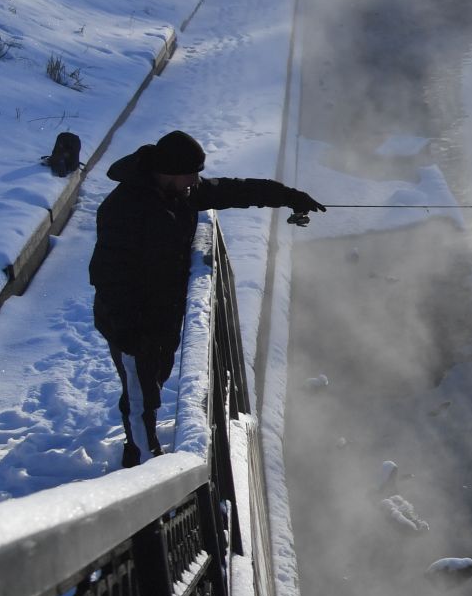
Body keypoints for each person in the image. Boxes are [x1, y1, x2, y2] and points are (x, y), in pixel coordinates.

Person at [89, 130, 325, 466]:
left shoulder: (179, 192)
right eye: (191, 173)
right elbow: (107, 275)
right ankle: (141, 461)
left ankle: (143, 443)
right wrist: (129, 332)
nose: (196, 180)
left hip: (163, 314)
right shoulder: (123, 209)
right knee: (141, 395)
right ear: (170, 170)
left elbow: (235, 189)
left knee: (154, 380)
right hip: (131, 323)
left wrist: (289, 196)